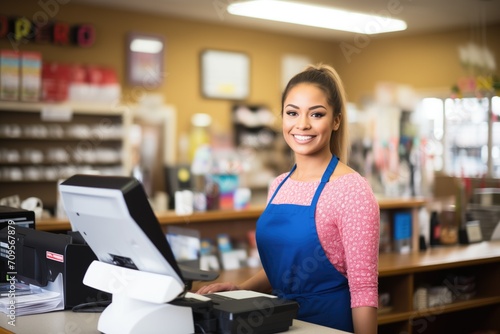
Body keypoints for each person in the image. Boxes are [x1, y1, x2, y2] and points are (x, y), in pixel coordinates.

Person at [197, 63, 379, 334]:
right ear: (282, 117)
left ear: (336, 120)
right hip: (279, 322)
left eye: (316, 114)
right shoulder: (279, 184)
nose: (302, 124)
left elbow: (363, 288)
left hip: (326, 325)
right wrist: (240, 289)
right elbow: (284, 273)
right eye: (292, 112)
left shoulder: (351, 190)